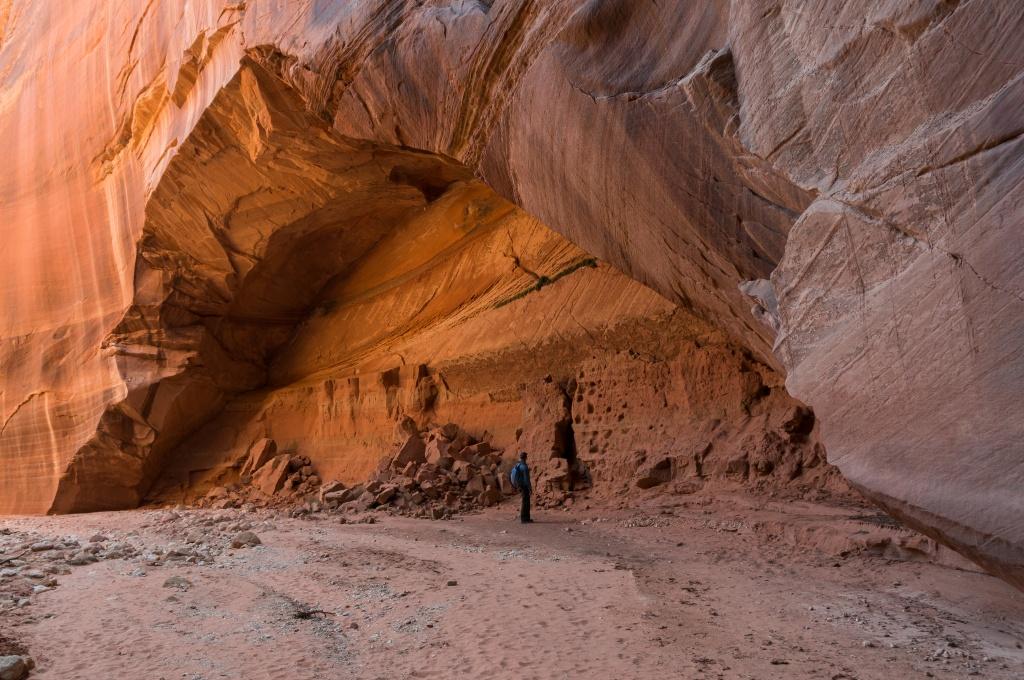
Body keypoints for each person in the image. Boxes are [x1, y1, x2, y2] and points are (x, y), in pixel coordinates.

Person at [510, 451, 532, 523]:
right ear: (525, 457)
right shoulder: (524, 467)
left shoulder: (517, 465)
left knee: (524, 501)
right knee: (526, 502)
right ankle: (524, 519)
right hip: (524, 486)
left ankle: (525, 518)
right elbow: (527, 479)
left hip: (519, 485)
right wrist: (530, 488)